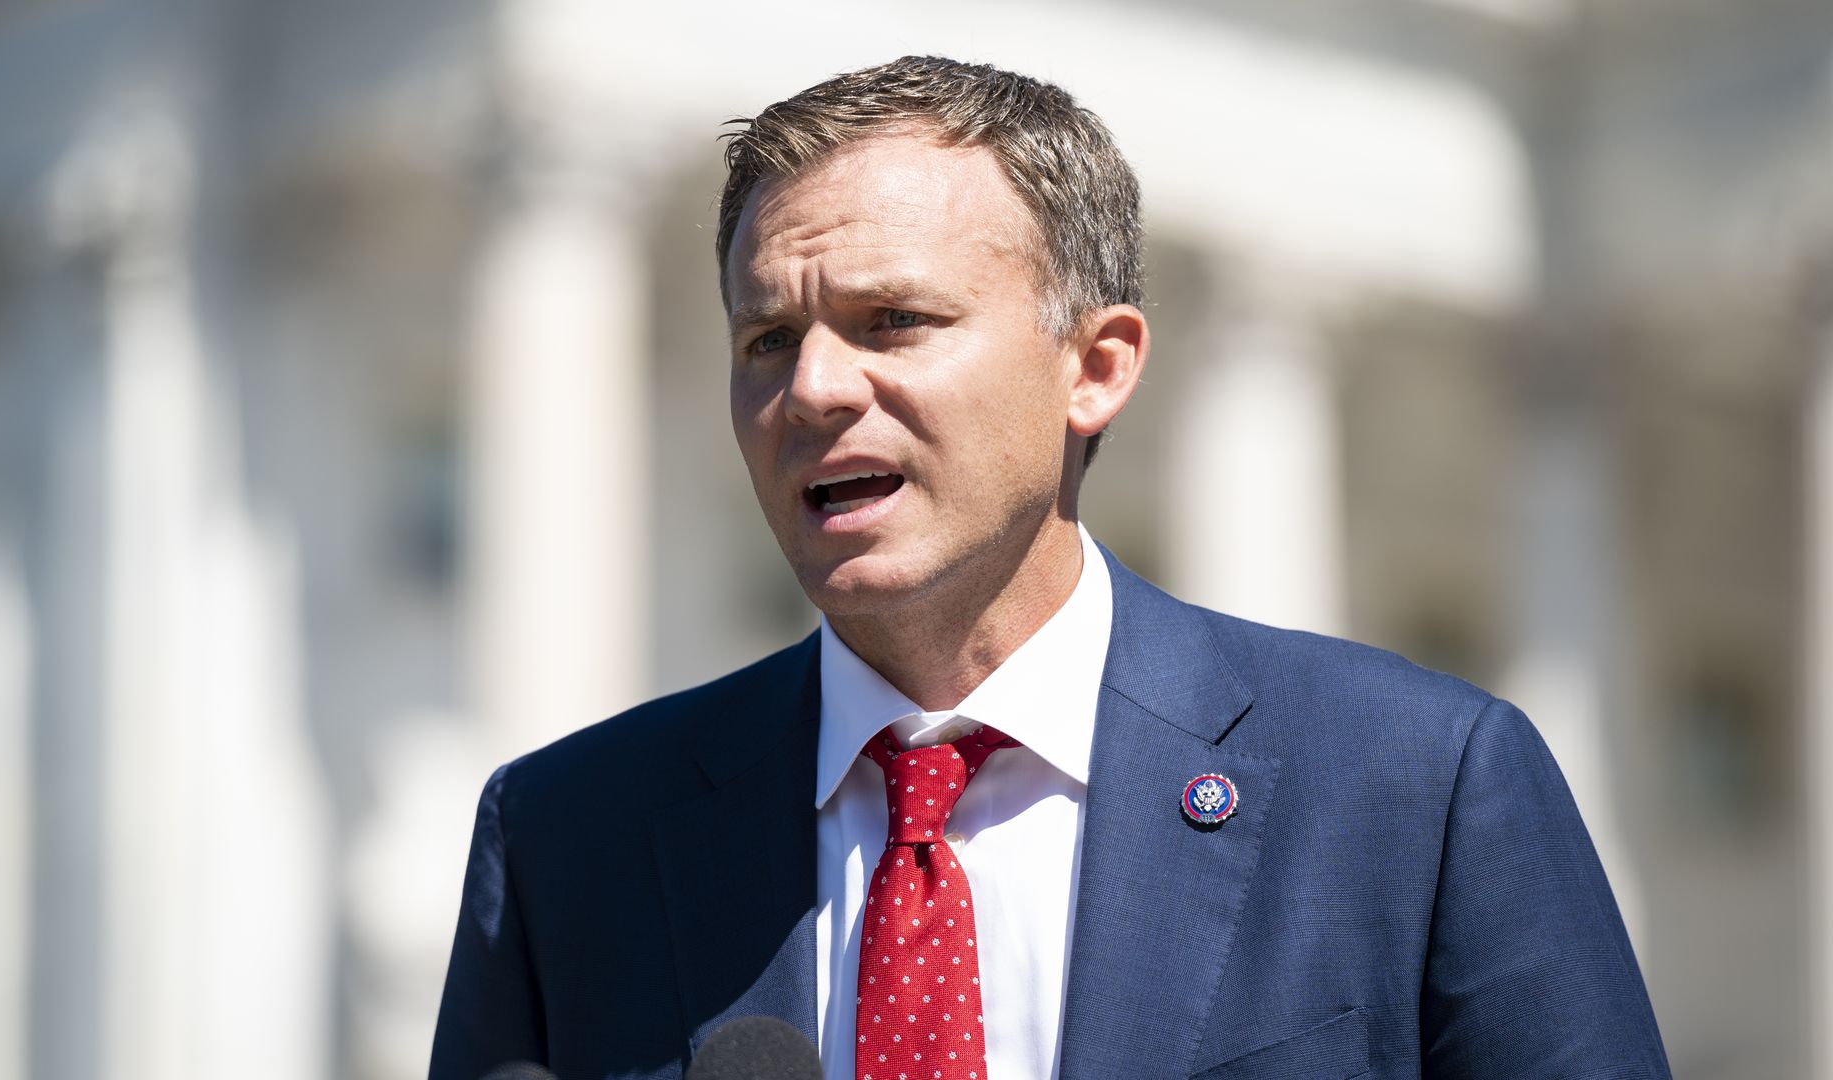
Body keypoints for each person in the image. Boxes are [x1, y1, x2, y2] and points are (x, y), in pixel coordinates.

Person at [429, 56, 1670, 1080]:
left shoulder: (1419, 791)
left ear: (1098, 366)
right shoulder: (567, 840)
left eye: (891, 322)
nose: (808, 390)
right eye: (768, 338)